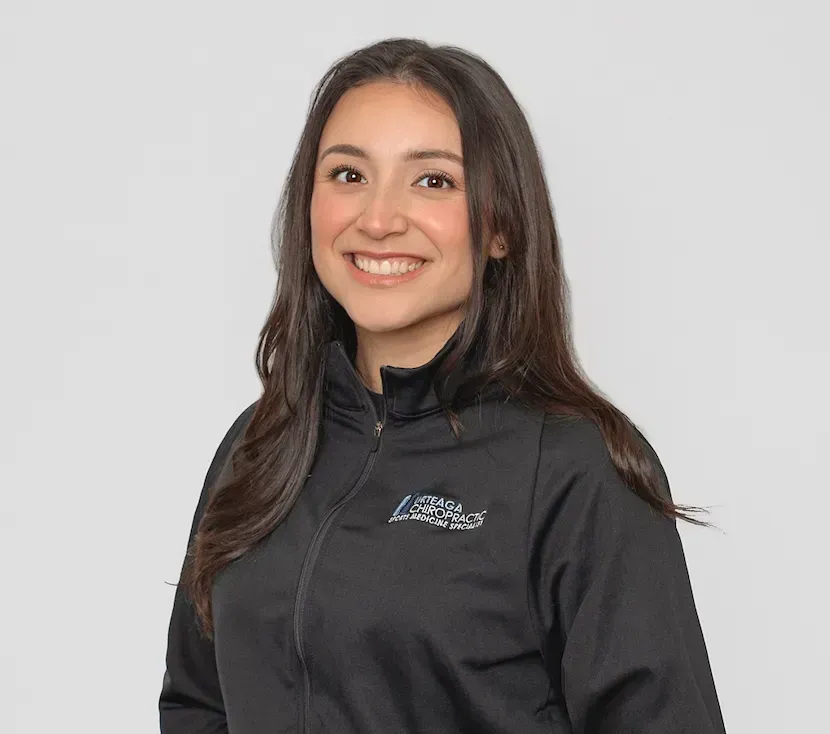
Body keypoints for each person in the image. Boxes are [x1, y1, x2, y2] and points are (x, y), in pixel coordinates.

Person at [159, 37, 727, 734]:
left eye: (433, 180)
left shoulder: (574, 470)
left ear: (501, 228)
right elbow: (197, 704)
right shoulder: (258, 446)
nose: (378, 218)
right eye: (347, 175)